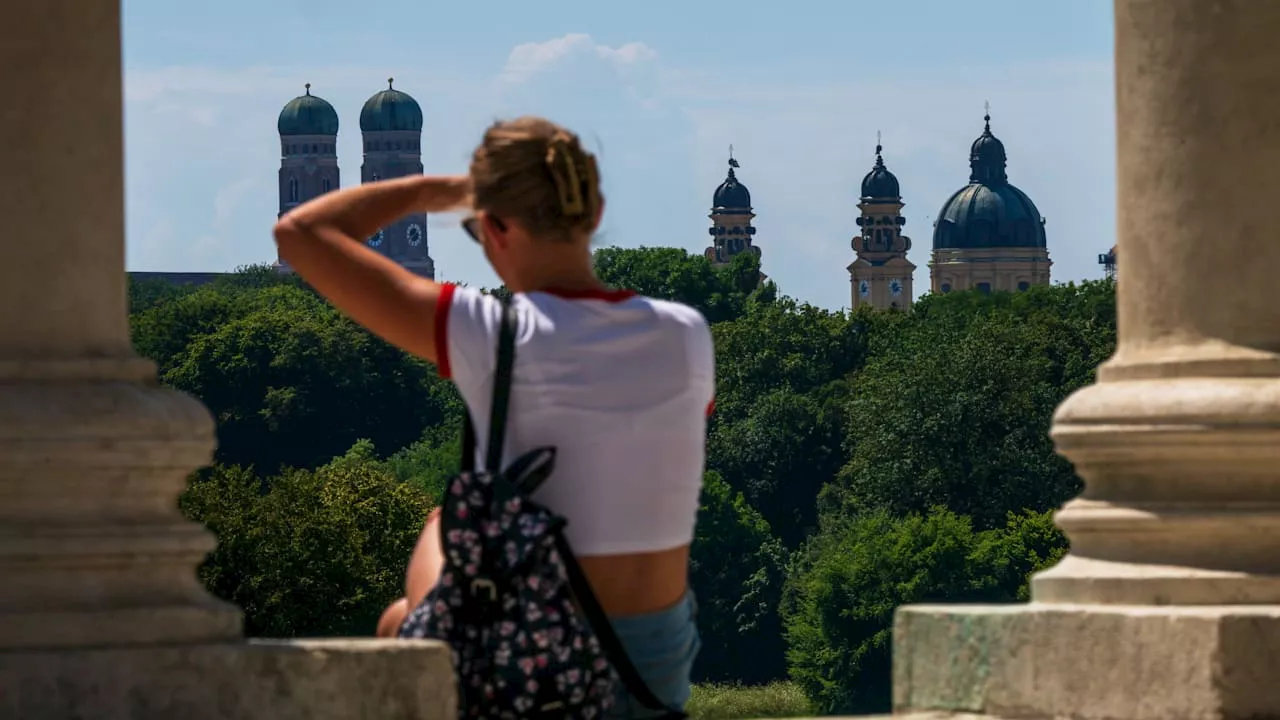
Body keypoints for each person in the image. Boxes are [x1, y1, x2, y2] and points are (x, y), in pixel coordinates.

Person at [272, 116, 712, 718]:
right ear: (596, 210)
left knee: (434, 538)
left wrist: (439, 190)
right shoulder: (686, 334)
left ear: (494, 227)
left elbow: (300, 232)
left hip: (536, 674)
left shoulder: (491, 333)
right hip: (653, 679)